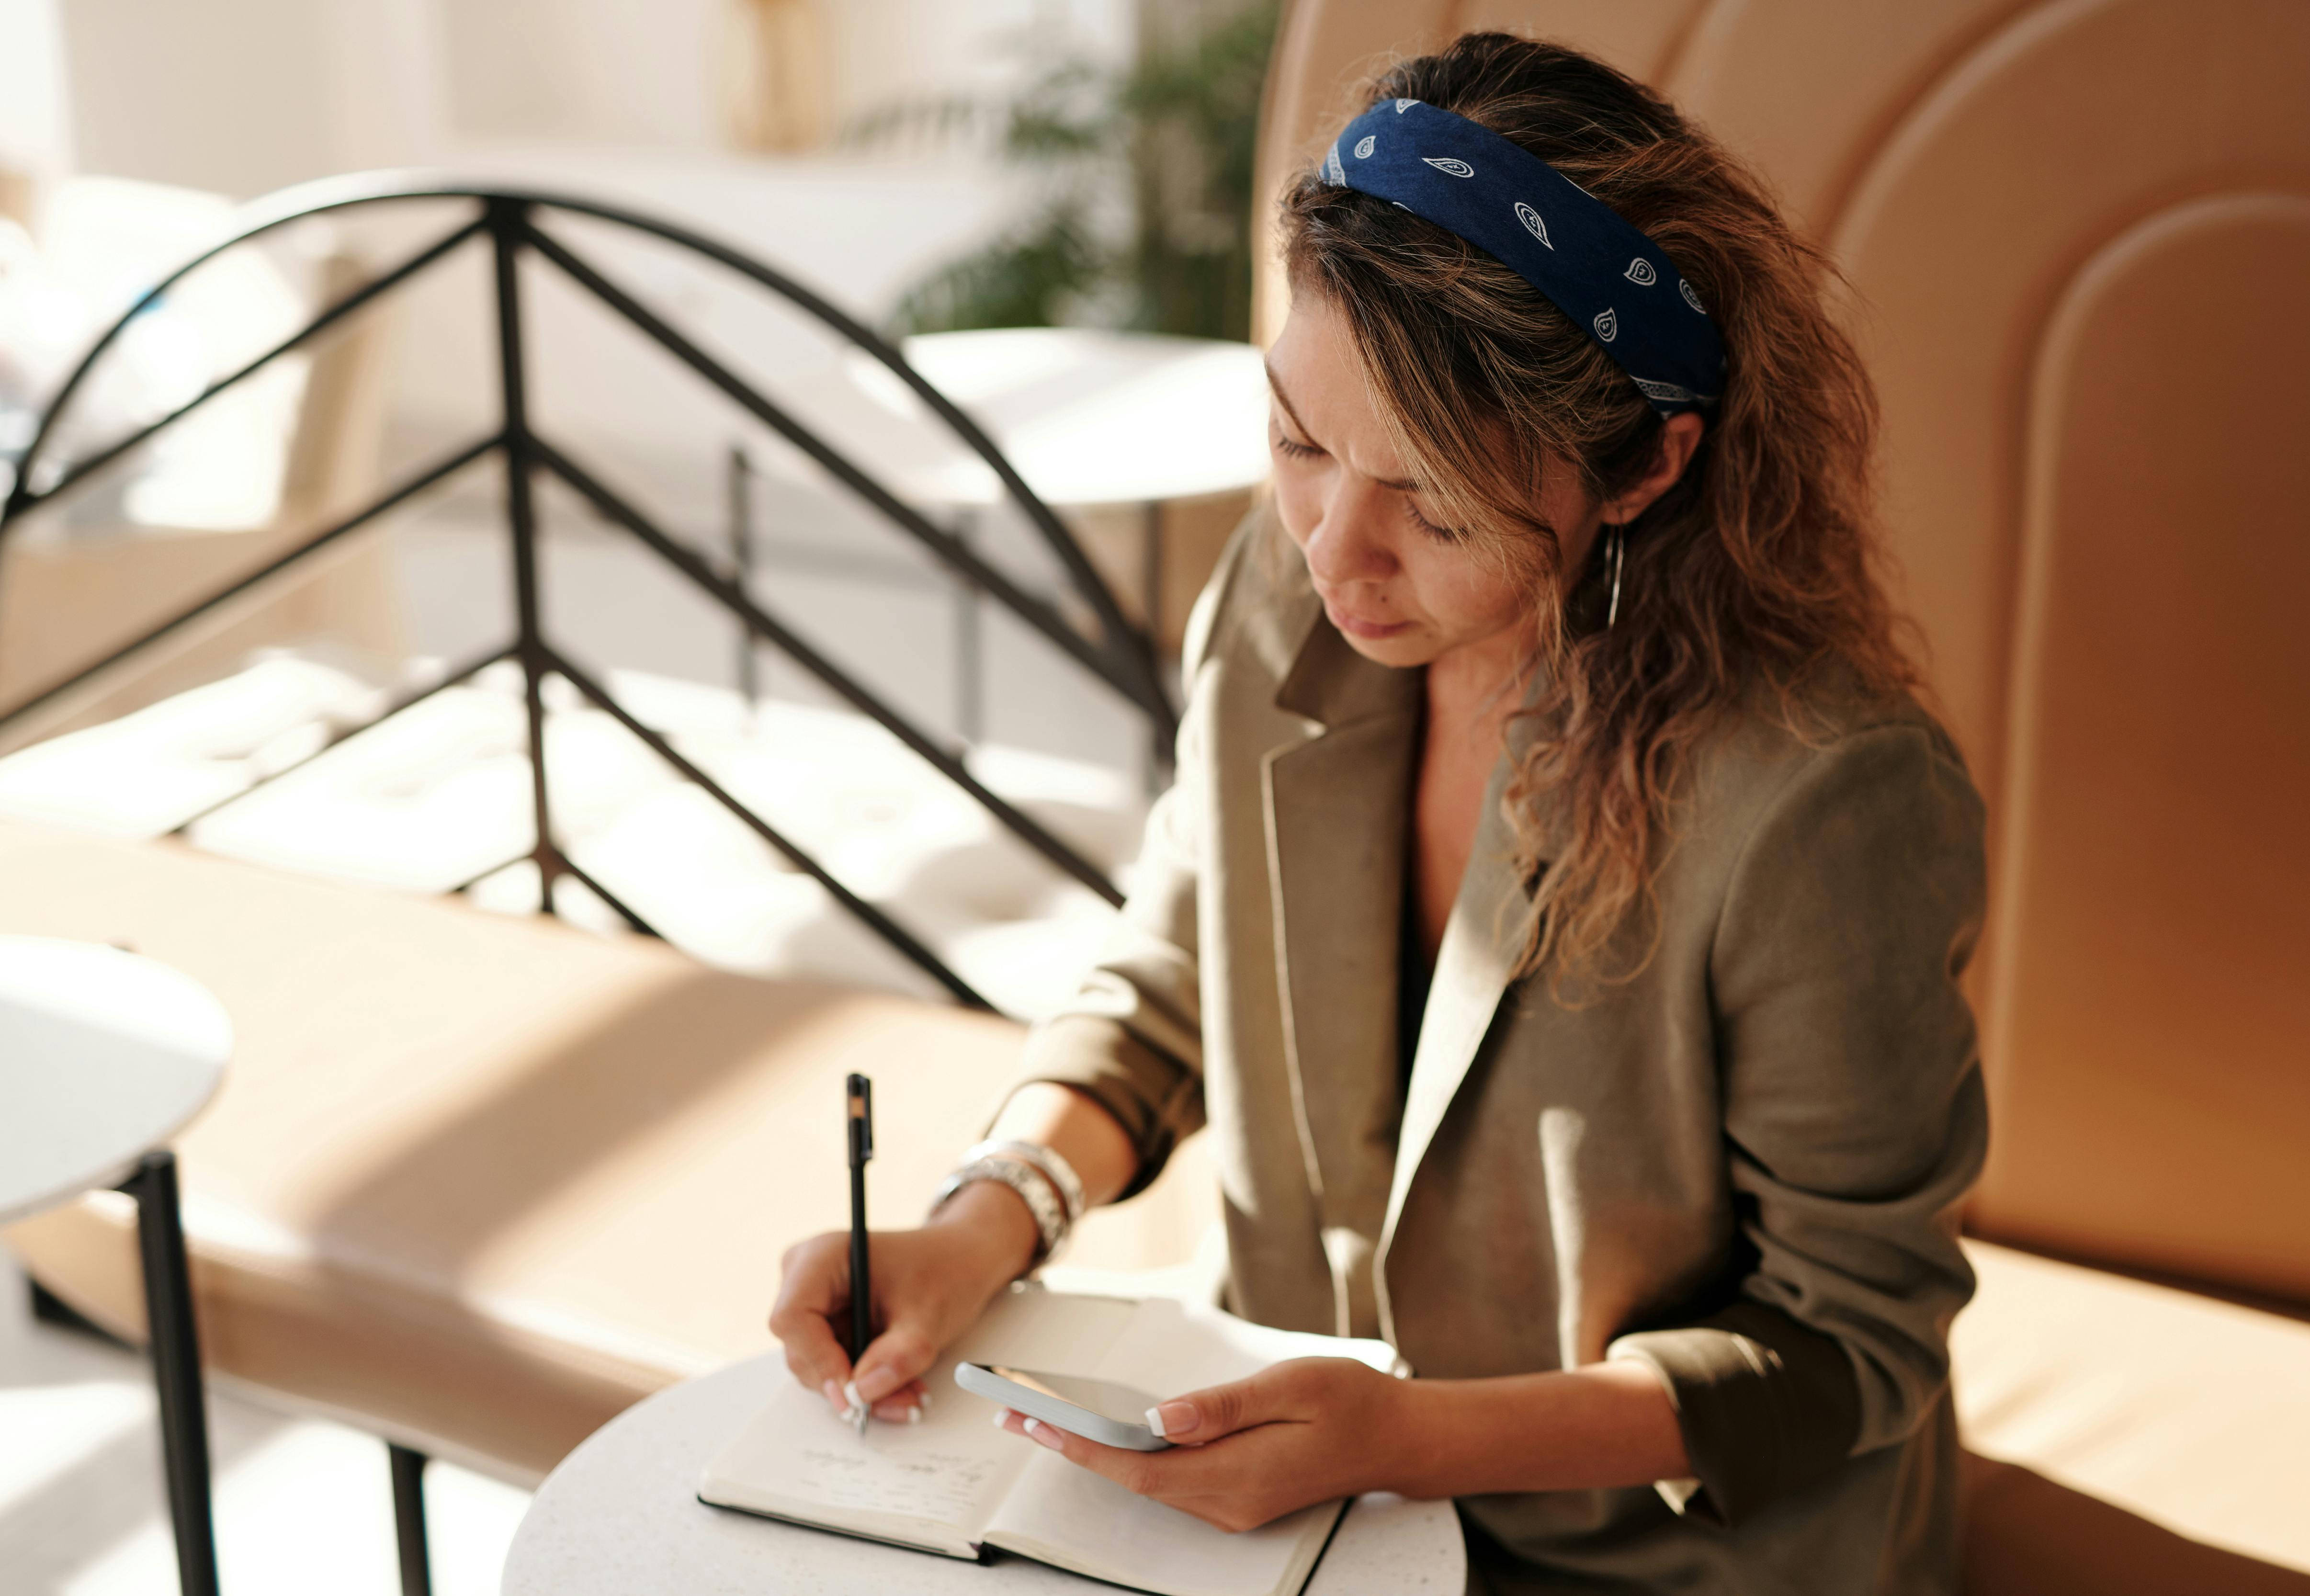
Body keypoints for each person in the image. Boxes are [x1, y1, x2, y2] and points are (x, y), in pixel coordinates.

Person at [771, 31, 1986, 1593]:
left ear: (1645, 467)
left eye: (1436, 504)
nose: (1336, 554)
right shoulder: (1288, 601)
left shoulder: (1825, 799)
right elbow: (1175, 985)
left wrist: (1400, 1439)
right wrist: (980, 1224)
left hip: (1648, 1558)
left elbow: (1847, 1344)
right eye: (1296, 440)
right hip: (1277, 1497)